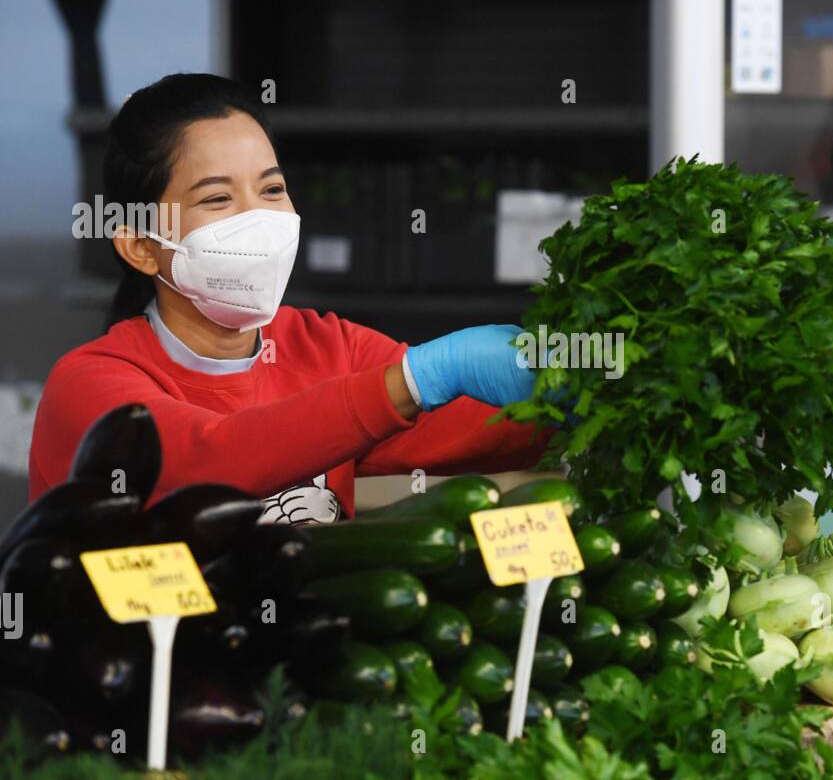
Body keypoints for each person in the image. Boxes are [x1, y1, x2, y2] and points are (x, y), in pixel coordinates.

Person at [28, 73, 548, 521]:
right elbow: (209, 461)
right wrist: (420, 378)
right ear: (141, 245)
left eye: (272, 190)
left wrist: (579, 389)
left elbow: (483, 427)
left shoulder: (326, 349)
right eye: (217, 198)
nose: (258, 219)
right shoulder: (89, 387)